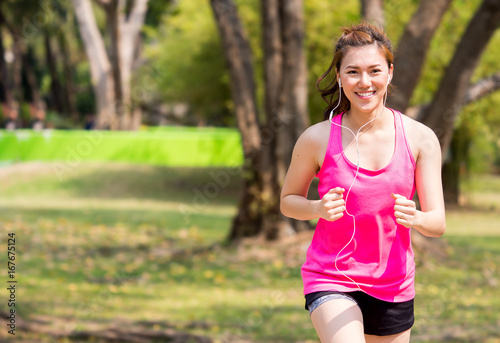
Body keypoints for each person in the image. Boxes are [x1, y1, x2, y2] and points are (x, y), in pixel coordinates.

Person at [280, 22, 446, 343]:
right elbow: (288, 201)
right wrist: (317, 208)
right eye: (353, 72)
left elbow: (437, 223)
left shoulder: (420, 139)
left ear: (390, 73)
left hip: (393, 284)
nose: (364, 82)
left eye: (374, 70)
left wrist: (418, 217)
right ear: (340, 77)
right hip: (331, 277)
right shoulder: (316, 138)